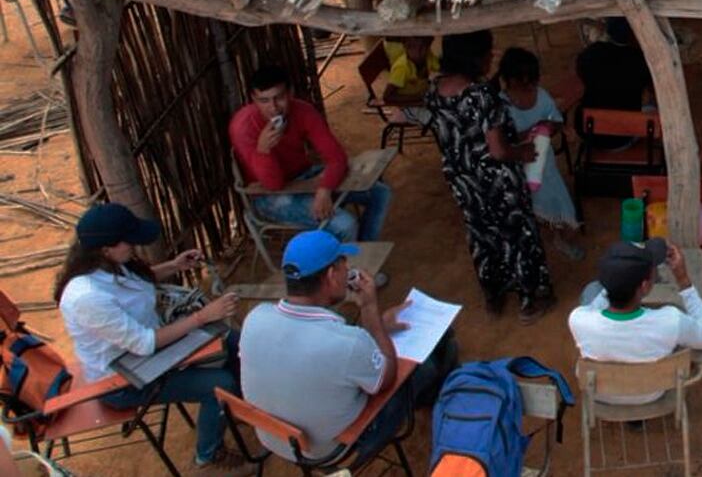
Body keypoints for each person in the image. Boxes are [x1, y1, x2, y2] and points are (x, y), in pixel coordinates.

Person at [55, 204, 246, 475]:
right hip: (122, 380)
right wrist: (201, 317)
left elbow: (137, 286)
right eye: (128, 240)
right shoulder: (87, 297)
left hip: (147, 353)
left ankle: (234, 408)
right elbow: (144, 343)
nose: (134, 245)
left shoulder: (109, 265)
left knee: (234, 342)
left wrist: (174, 265)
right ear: (106, 249)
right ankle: (208, 457)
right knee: (220, 384)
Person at [240, 231, 458, 467]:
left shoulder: (255, 318)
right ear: (332, 275)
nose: (349, 273)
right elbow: (387, 379)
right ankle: (448, 406)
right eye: (345, 267)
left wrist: (376, 328)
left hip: (276, 439)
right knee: (433, 359)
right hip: (335, 453)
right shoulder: (347, 343)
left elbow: (301, 354)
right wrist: (371, 309)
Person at [427, 30, 556, 320]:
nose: (491, 57)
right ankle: (530, 300)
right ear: (472, 56)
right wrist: (521, 152)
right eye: (488, 52)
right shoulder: (481, 94)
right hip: (496, 180)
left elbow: (459, 137)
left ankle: (493, 298)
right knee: (518, 235)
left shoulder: (434, 90)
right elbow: (497, 150)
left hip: (462, 179)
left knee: (482, 236)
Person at [228, 64, 392, 244]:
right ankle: (349, 266)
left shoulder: (303, 111)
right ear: (253, 99)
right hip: (267, 195)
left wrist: (324, 189)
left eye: (279, 98)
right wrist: (263, 151)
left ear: (290, 93)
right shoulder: (243, 127)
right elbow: (273, 184)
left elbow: (336, 157)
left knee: (380, 193)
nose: (273, 108)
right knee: (345, 224)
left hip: (303, 177)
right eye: (264, 101)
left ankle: (360, 256)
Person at [568, 238, 702, 404]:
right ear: (645, 287)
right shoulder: (670, 321)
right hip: (651, 394)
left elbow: (598, 301)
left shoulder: (579, 320)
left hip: (601, 395)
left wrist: (615, 281)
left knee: (590, 290)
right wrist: (683, 281)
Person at [498, 46, 584, 261]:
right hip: (519, 172)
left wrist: (554, 127)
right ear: (509, 79)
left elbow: (556, 120)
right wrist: (533, 130)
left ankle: (560, 238)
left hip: (547, 170)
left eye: (532, 81)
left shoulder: (542, 95)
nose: (528, 86)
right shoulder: (501, 105)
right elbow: (503, 142)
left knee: (563, 212)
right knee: (528, 212)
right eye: (522, 82)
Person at [575, 17, 654, 150]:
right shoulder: (639, 59)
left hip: (589, 133)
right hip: (623, 138)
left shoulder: (590, 53)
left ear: (607, 30)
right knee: (653, 107)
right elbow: (650, 90)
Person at [382, 35, 437, 124]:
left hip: (422, 97)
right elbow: (387, 97)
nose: (421, 53)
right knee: (437, 118)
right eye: (416, 48)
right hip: (409, 106)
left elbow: (441, 69)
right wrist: (416, 99)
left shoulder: (427, 56)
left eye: (424, 48)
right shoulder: (402, 68)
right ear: (406, 48)